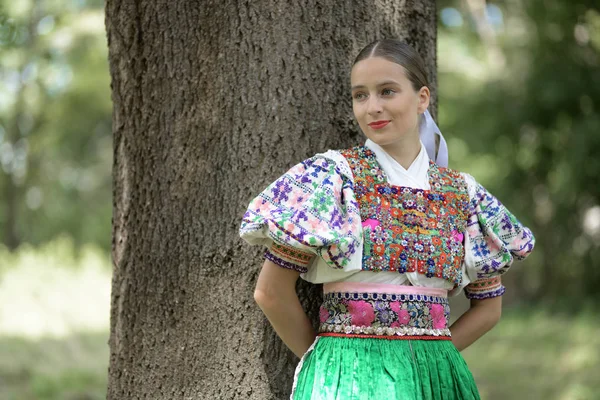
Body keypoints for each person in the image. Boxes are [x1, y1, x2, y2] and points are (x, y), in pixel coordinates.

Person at [239, 39, 535, 400]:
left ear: (422, 98)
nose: (373, 107)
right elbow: (270, 292)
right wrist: (325, 361)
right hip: (346, 376)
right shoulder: (334, 180)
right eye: (360, 95)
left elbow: (489, 308)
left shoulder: (461, 194)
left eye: (387, 91)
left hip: (437, 379)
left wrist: (432, 356)